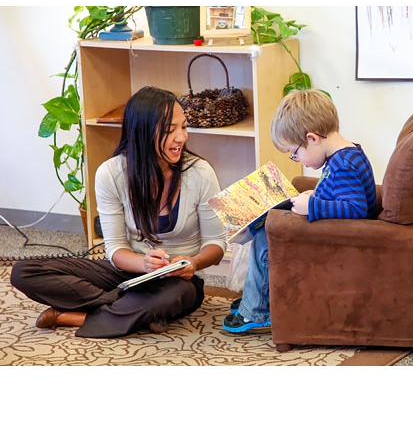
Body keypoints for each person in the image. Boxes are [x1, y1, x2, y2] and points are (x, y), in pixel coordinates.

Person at [11, 86, 226, 338]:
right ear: (142, 133)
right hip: (128, 271)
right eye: (170, 130)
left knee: (171, 296)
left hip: (179, 281)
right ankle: (134, 311)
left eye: (184, 126)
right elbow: (115, 249)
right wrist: (144, 264)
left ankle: (74, 316)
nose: (182, 137)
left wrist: (194, 263)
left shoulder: (201, 173)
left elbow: (216, 242)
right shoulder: (111, 174)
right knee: (25, 271)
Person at [223, 89, 377, 333]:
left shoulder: (343, 165)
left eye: (294, 153)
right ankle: (257, 297)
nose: (297, 159)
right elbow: (340, 194)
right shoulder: (344, 157)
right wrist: (315, 195)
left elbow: (355, 208)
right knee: (265, 226)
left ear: (313, 138)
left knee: (265, 237)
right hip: (330, 235)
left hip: (336, 245)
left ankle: (256, 310)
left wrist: (312, 205)